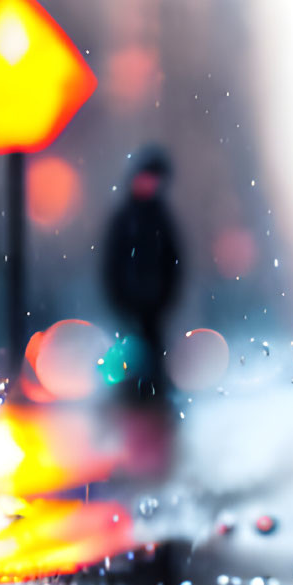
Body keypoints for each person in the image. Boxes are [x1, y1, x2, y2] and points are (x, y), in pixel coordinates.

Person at [102, 147, 182, 399]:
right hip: (129, 304)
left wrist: (165, 297)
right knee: (131, 355)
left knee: (153, 354)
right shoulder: (125, 219)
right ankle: (134, 395)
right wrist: (120, 298)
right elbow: (111, 264)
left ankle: (152, 396)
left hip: (154, 305)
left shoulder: (160, 218)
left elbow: (173, 263)